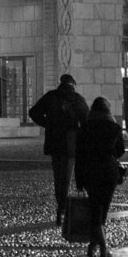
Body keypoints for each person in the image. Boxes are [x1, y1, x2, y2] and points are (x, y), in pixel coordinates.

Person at [28, 72, 87, 225]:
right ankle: (62, 208)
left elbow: (33, 112)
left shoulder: (51, 96)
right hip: (70, 142)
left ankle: (61, 206)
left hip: (55, 142)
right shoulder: (77, 99)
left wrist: (47, 123)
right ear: (72, 84)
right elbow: (86, 120)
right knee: (66, 176)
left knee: (58, 176)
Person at [74, 96, 126, 257]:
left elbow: (79, 154)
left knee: (95, 210)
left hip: (91, 171)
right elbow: (120, 150)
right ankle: (100, 247)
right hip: (109, 171)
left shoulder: (85, 128)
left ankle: (97, 246)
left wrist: (79, 179)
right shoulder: (114, 128)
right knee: (103, 210)